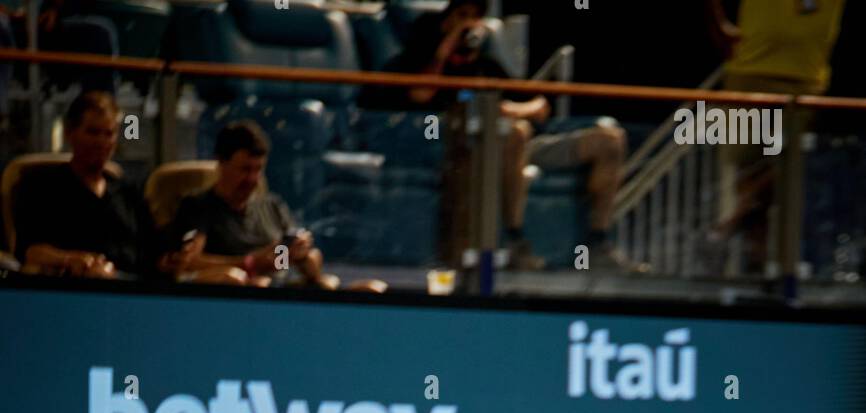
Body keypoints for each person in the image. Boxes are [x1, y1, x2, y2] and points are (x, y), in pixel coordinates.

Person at [363, 0, 642, 273]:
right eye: (462, 15)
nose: (469, 24)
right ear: (446, 20)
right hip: (464, 150)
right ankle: (515, 240)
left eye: (476, 17)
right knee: (514, 133)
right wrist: (443, 52)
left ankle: (597, 242)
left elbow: (540, 106)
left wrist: (507, 110)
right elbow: (419, 95)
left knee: (609, 140)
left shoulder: (487, 65)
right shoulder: (418, 58)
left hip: (521, 146)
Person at [703, 0, 847, 274]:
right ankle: (755, 271)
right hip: (749, 74)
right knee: (750, 177)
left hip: (805, 80)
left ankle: (726, 228)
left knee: (788, 166)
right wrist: (719, 26)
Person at [166, 120, 341, 290]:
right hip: (238, 296)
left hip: (281, 292)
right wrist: (250, 263)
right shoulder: (198, 207)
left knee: (362, 287)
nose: (252, 179)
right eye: (245, 169)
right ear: (221, 163)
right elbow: (189, 262)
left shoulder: (272, 205)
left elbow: (280, 260)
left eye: (258, 170)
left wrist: (301, 256)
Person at [14, 90, 159, 278]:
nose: (101, 142)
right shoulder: (42, 186)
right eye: (93, 132)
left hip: (131, 293)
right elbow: (29, 251)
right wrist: (71, 259)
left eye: (109, 134)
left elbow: (153, 254)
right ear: (69, 133)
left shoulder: (129, 194)